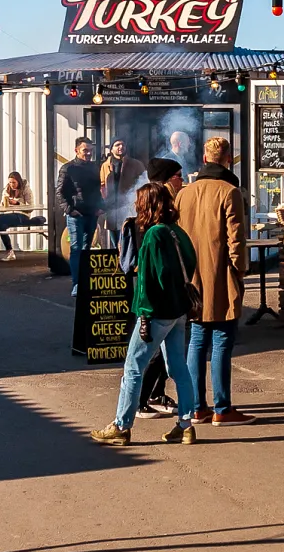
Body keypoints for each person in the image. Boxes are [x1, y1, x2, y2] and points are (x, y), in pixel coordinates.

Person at [90, 182, 200, 446]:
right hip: (178, 310)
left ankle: (121, 425)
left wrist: (144, 315)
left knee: (133, 369)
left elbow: (149, 282)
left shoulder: (153, 236)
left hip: (157, 312)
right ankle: (185, 425)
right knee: (178, 368)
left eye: (139, 202)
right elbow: (191, 264)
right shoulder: (178, 232)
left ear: (147, 205)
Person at [177, 137, 253, 426]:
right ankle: (222, 409)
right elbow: (236, 239)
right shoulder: (229, 191)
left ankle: (197, 406)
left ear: (205, 158)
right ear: (228, 159)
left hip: (193, 276)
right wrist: (240, 269)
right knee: (222, 339)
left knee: (197, 339)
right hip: (221, 274)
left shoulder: (184, 193)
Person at [116, 158, 185, 419]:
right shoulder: (158, 211)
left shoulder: (164, 206)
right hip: (155, 293)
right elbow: (154, 260)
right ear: (167, 180)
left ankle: (156, 397)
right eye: (178, 176)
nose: (182, 179)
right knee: (148, 354)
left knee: (165, 355)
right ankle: (139, 404)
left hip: (160, 292)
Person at [55, 137, 101, 297]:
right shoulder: (68, 168)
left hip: (92, 214)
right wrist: (69, 210)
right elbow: (59, 192)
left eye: (90, 150)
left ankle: (85, 281)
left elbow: (97, 190)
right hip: (76, 215)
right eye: (85, 150)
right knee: (76, 249)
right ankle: (77, 284)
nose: (88, 153)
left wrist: (100, 207)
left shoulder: (95, 167)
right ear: (76, 150)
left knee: (86, 249)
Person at [0, 172, 46, 261]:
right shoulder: (6, 189)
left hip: (22, 215)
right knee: (1, 227)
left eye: (14, 182)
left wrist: (17, 203)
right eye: (10, 182)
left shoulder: (26, 189)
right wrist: (4, 203)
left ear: (18, 181)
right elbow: (2, 207)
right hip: (9, 215)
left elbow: (30, 207)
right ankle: (10, 252)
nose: (12, 185)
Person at [99, 139, 146, 247]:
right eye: (117, 145)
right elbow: (102, 184)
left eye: (123, 144)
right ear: (111, 149)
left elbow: (144, 183)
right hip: (112, 208)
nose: (121, 147)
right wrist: (105, 201)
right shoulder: (105, 165)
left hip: (128, 207)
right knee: (115, 242)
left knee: (128, 241)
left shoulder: (136, 164)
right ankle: (117, 262)